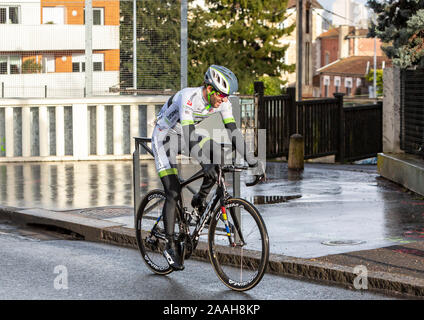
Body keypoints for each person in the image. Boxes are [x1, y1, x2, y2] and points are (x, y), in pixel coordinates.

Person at [151, 65, 264, 270]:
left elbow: (234, 132)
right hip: (165, 136)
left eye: (226, 96)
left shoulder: (223, 102)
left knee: (218, 157)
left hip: (185, 137)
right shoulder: (188, 97)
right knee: (174, 190)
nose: (224, 99)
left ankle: (199, 199)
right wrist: (204, 163)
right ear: (210, 89)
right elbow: (188, 134)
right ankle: (169, 245)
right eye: (221, 95)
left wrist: (253, 161)